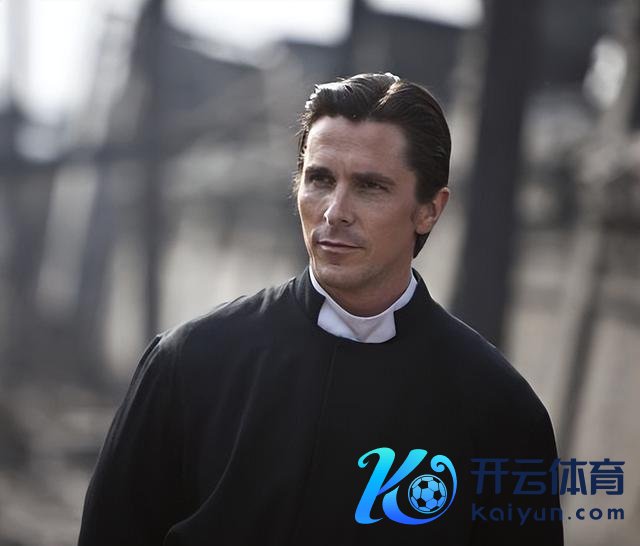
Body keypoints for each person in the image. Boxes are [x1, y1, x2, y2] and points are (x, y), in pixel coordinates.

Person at [78, 73, 564, 545]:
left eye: (370, 186)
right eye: (320, 179)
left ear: (429, 209)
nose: (334, 211)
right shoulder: (188, 363)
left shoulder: (500, 412)